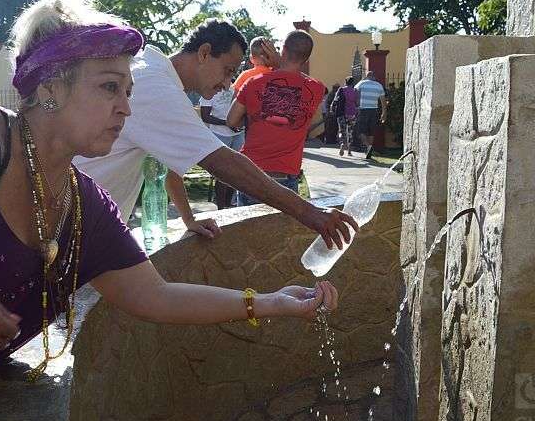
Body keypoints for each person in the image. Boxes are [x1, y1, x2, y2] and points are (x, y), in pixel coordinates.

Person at [0, 0, 341, 421]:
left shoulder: (84, 207)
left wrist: (272, 302)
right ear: (50, 86)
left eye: (128, 91)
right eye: (108, 88)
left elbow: (156, 295)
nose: (125, 107)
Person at [75, 20, 357, 250]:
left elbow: (170, 162)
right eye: (228, 71)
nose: (227, 84)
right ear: (204, 53)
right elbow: (220, 161)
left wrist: (188, 218)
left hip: (90, 223)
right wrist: (311, 214)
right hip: (74, 223)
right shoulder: (158, 88)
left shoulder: (152, 69)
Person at [226, 30, 326, 206]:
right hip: (286, 177)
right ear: (307, 59)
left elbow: (231, 120)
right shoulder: (316, 88)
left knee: (247, 231)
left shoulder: (253, 82)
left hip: (251, 172)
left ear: (283, 50)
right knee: (280, 232)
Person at [199, 87, 243, 209]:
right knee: (223, 172)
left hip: (238, 134)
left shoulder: (235, 88)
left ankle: (230, 203)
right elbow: (206, 117)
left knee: (237, 170)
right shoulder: (209, 92)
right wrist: (228, 123)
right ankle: (221, 207)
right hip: (220, 135)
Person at [354, 71, 387, 159]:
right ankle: (370, 149)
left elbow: (355, 92)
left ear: (366, 76)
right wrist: (384, 112)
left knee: (360, 131)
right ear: (373, 77)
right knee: (371, 131)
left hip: (363, 109)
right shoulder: (379, 85)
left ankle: (368, 146)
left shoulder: (361, 83)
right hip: (374, 110)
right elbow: (383, 101)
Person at [332, 77, 360, 156]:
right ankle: (349, 150)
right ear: (353, 83)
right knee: (350, 131)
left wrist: (332, 108)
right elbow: (357, 103)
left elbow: (335, 100)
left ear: (346, 82)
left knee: (342, 130)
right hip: (352, 114)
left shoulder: (341, 89)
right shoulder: (355, 91)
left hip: (341, 113)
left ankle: (342, 144)